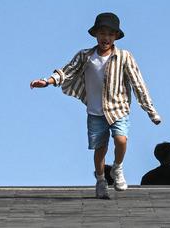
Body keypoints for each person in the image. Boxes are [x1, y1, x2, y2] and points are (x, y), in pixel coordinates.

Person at [30, 12, 161, 199]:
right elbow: (67, 71)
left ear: (116, 36)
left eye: (110, 34)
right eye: (102, 33)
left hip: (118, 108)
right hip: (95, 112)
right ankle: (100, 180)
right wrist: (47, 81)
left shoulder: (124, 56)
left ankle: (117, 168)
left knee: (121, 139)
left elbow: (138, 83)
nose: (106, 38)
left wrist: (151, 111)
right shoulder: (85, 56)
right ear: (95, 35)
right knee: (100, 149)